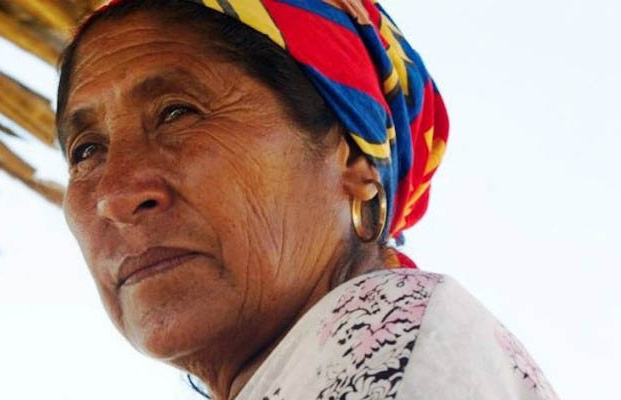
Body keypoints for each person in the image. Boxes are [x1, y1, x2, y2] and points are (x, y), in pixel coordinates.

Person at [56, 0, 559, 399]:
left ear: (353, 163)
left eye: (177, 113)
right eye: (86, 151)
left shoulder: (393, 348)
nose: (115, 195)